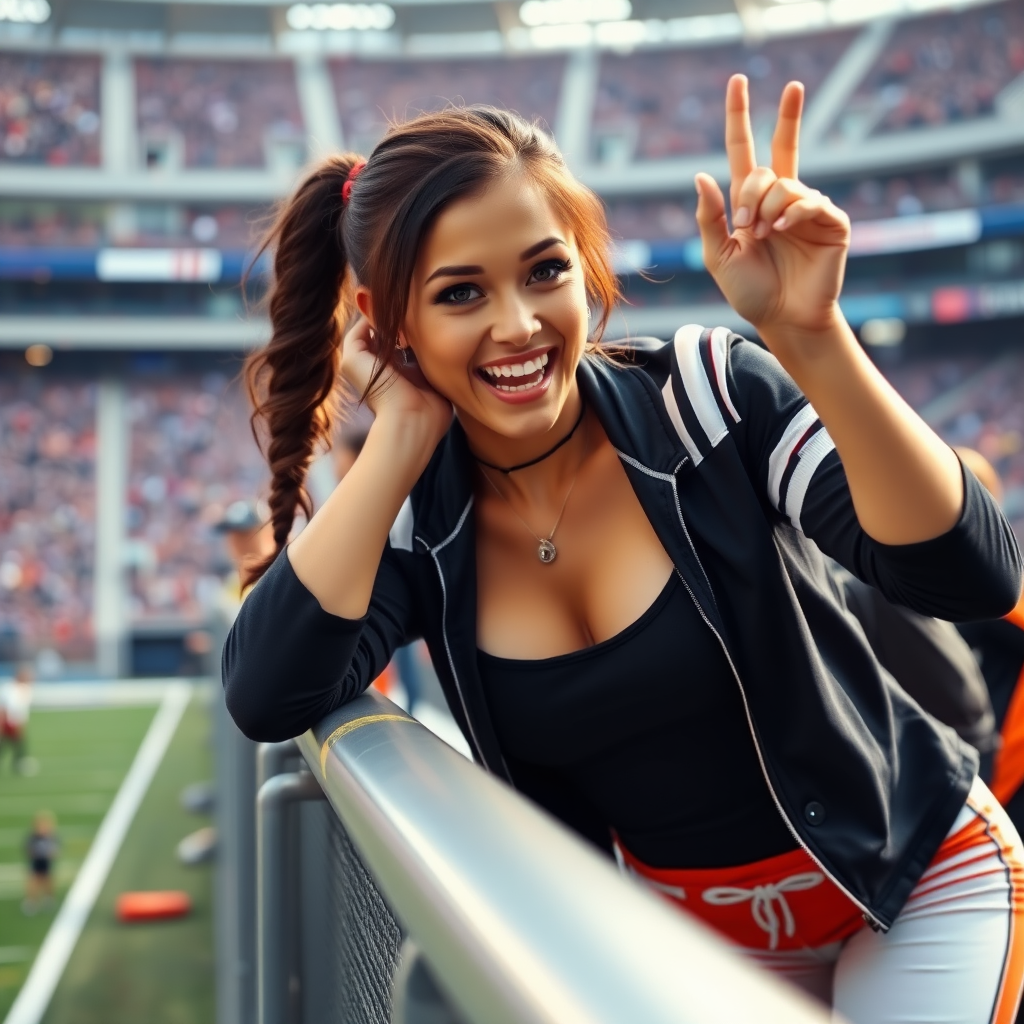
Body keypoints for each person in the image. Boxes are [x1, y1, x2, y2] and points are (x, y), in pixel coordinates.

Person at [223, 82, 1024, 1020]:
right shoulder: (416, 526)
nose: (518, 323)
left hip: (921, 887)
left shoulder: (707, 399)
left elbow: (967, 574)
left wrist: (815, 340)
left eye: (545, 271)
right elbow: (267, 692)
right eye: (460, 293)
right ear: (385, 318)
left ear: (586, 266)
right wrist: (398, 434)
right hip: (687, 951)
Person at [23, 810, 59, 915]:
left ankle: (49, 898)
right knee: (34, 881)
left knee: (48, 881)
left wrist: (51, 854)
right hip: (36, 862)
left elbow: (56, 850)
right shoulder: (32, 837)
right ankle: (32, 901)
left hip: (46, 862)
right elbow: (28, 850)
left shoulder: (51, 837)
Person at [0, 663, 33, 774]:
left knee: (14, 745)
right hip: (8, 723)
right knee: (15, 745)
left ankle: (18, 765)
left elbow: (21, 711)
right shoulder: (9, 688)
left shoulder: (25, 690)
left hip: (15, 723)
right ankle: (19, 765)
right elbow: (3, 709)